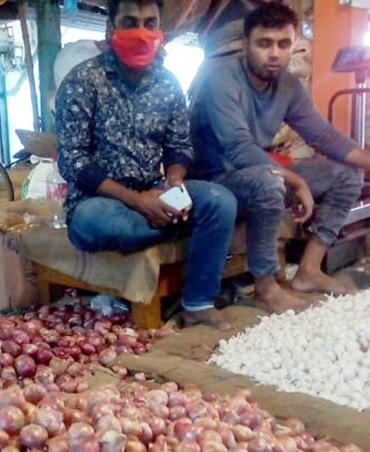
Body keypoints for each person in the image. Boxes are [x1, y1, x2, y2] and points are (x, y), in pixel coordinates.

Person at [190, 2, 370, 313]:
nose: (274, 53)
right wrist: (295, 179)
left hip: (257, 171)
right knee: (269, 182)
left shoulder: (287, 85)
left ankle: (308, 271)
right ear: (246, 44)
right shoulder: (220, 77)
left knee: (347, 173)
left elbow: (324, 136)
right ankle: (265, 285)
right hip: (215, 176)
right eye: (264, 44)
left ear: (294, 45)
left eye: (283, 44)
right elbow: (237, 148)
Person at [55, 0, 238, 329]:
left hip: (154, 193)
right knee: (99, 221)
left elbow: (179, 146)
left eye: (150, 23)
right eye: (130, 21)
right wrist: (139, 202)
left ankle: (197, 302)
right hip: (100, 205)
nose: (141, 32)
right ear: (112, 29)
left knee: (219, 201)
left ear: (160, 31)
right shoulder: (82, 81)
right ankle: (171, 222)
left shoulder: (168, 83)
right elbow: (73, 162)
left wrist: (175, 182)